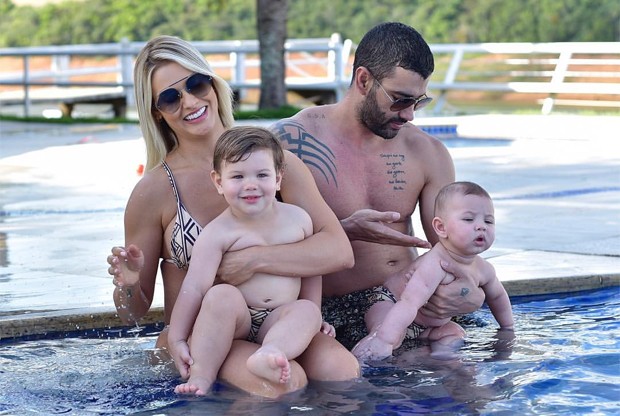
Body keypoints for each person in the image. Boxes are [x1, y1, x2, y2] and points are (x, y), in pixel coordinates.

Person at [106, 35, 359, 398]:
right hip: (204, 333)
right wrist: (128, 284)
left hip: (278, 320)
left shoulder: (274, 163)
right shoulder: (155, 190)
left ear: (213, 83)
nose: (190, 101)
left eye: (196, 83)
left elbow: (338, 251)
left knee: (342, 371)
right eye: (170, 97)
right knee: (284, 384)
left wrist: (252, 260)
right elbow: (132, 314)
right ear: (156, 112)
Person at [271, 22, 487, 351]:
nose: (411, 115)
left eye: (419, 102)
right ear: (363, 80)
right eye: (400, 100)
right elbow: (256, 241)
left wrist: (467, 292)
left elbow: (454, 249)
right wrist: (343, 231)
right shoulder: (291, 143)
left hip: (405, 306)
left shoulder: (427, 153)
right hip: (326, 315)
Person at [168, 126, 334, 394]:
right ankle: (201, 375)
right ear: (219, 182)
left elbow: (312, 269)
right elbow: (194, 287)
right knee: (220, 295)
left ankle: (270, 353)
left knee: (307, 310)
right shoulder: (217, 233)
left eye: (262, 174)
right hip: (237, 322)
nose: (251, 184)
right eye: (237, 176)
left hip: (279, 317)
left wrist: (314, 317)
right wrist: (177, 338)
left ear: (278, 179)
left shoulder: (299, 219)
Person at [352, 181, 515, 361]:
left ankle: (441, 357)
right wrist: (385, 339)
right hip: (389, 302)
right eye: (469, 219)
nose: (481, 226)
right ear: (441, 228)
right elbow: (409, 302)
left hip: (426, 325)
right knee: (389, 331)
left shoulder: (484, 269)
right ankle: (366, 354)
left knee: (454, 332)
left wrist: (508, 328)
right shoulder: (435, 262)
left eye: (488, 221)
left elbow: (498, 297)